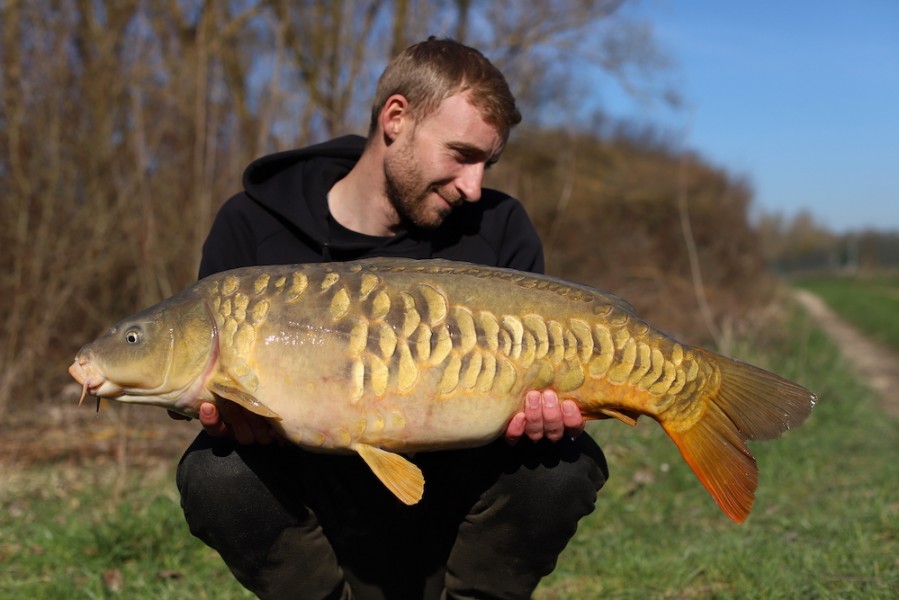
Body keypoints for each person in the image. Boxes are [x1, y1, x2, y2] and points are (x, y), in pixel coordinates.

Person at [175, 37, 608, 600]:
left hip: (456, 517)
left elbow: (527, 418)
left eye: (487, 163)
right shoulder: (252, 226)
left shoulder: (499, 228)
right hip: (317, 519)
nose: (474, 187)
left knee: (562, 463)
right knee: (216, 473)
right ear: (396, 118)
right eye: (460, 154)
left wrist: (545, 416)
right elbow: (196, 381)